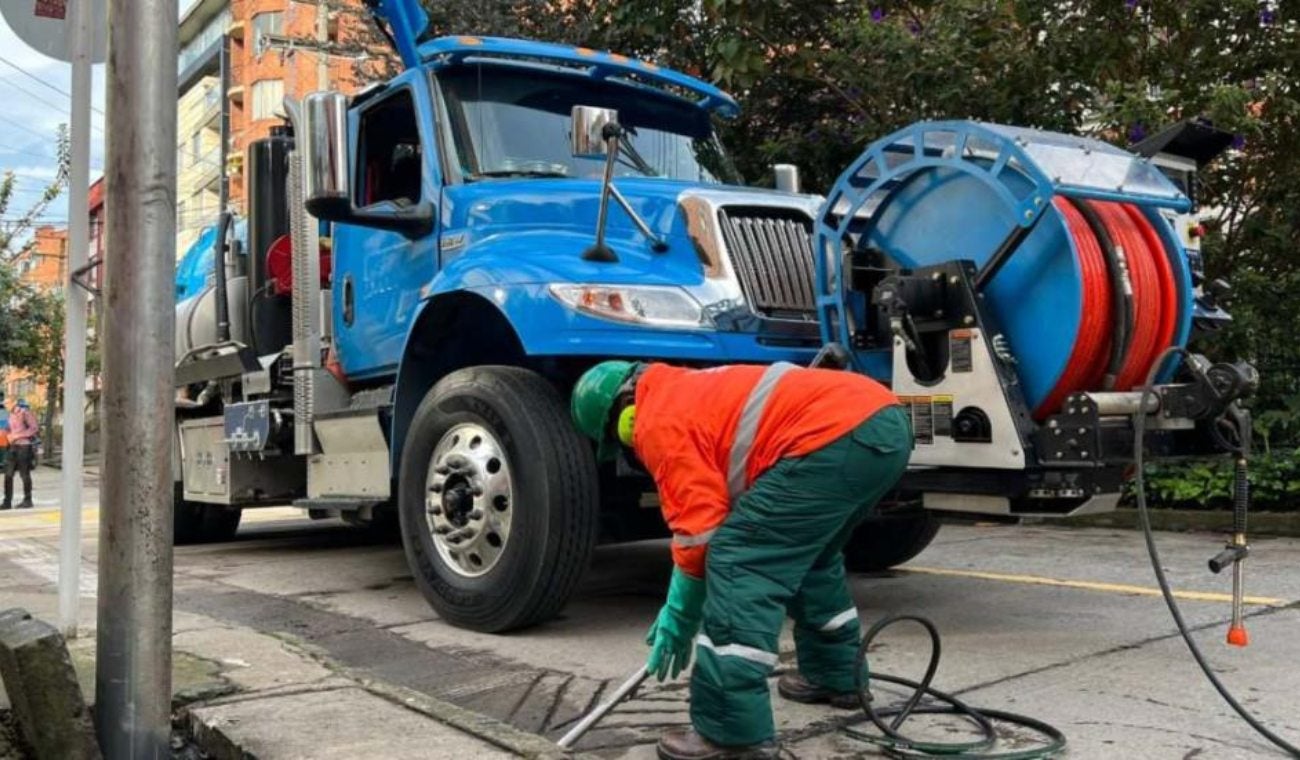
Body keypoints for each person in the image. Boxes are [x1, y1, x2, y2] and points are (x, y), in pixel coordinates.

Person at [571, 360, 913, 760]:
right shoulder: (688, 385)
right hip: (884, 425)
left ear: (626, 412)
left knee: (739, 561)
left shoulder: (656, 419)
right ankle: (835, 675)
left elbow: (701, 536)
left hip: (833, 437)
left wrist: (680, 614)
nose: (629, 444)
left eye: (620, 435)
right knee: (812, 559)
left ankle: (730, 732)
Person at [3, 398, 38, 510]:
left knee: (24, 474)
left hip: (24, 446)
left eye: (7, 403)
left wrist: (18, 436)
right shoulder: (10, 415)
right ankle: (7, 502)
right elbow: (9, 429)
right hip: (12, 447)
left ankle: (28, 500)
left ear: (14, 403)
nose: (5, 405)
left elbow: (34, 428)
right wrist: (8, 435)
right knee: (8, 474)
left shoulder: (24, 413)